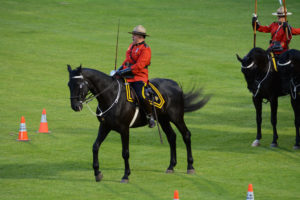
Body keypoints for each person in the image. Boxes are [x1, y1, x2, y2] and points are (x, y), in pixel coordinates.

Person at [115, 25, 155, 128]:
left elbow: (139, 66)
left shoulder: (146, 49)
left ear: (140, 36)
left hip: (139, 77)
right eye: (133, 34)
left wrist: (124, 71)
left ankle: (150, 116)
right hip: (128, 76)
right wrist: (118, 71)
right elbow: (127, 61)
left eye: (134, 35)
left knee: (141, 95)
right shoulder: (132, 46)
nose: (132, 36)